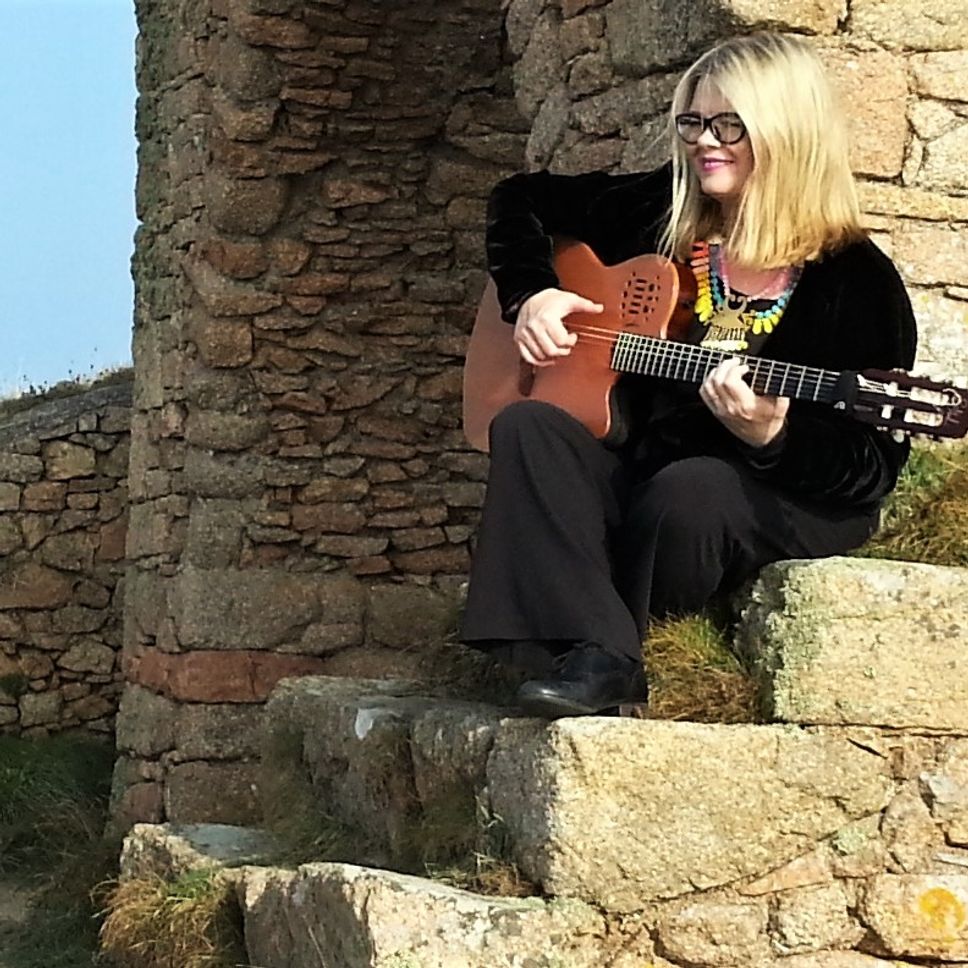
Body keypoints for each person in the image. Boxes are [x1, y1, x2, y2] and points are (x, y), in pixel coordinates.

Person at [459, 32, 918, 718]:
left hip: (751, 502)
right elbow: (519, 199)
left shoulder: (856, 281)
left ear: (786, 132)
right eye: (694, 122)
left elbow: (871, 467)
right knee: (528, 423)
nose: (706, 142)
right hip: (640, 478)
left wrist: (773, 436)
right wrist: (533, 295)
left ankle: (589, 643)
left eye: (730, 125)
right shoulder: (656, 212)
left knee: (695, 485)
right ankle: (606, 657)